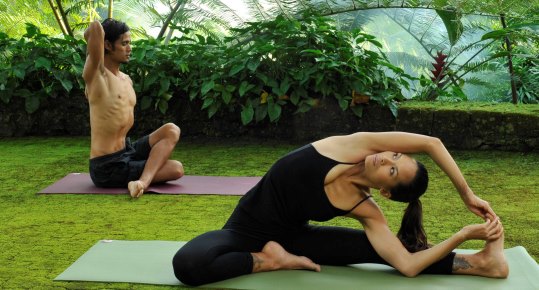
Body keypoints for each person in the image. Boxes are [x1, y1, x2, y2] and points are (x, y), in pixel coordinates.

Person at [172, 132, 508, 286]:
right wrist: (467, 194)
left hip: (295, 239)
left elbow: (407, 266)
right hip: (243, 232)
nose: (386, 158)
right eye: (396, 156)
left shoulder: (366, 207)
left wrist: (462, 235)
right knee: (188, 265)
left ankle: (479, 263)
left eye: (392, 170)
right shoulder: (355, 146)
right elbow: (431, 143)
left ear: (386, 192)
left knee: (379, 250)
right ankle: (269, 261)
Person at [83, 18, 184, 198]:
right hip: (107, 165)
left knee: (171, 130)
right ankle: (143, 180)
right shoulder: (97, 76)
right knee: (175, 169)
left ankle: (141, 181)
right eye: (124, 44)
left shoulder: (126, 79)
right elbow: (95, 27)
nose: (129, 48)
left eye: (130, 43)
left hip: (127, 151)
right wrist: (89, 38)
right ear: (106, 44)